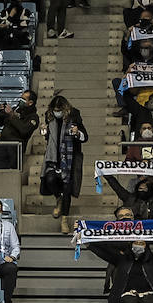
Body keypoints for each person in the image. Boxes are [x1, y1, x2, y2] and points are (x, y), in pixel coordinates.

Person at [41, 95, 88, 231]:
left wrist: (77, 132)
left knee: (67, 189)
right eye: (54, 109)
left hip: (70, 158)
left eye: (59, 109)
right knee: (49, 179)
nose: (57, 112)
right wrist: (44, 131)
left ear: (65, 108)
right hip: (53, 158)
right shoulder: (49, 117)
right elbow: (49, 138)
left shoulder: (74, 115)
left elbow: (85, 137)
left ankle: (64, 220)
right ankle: (58, 199)